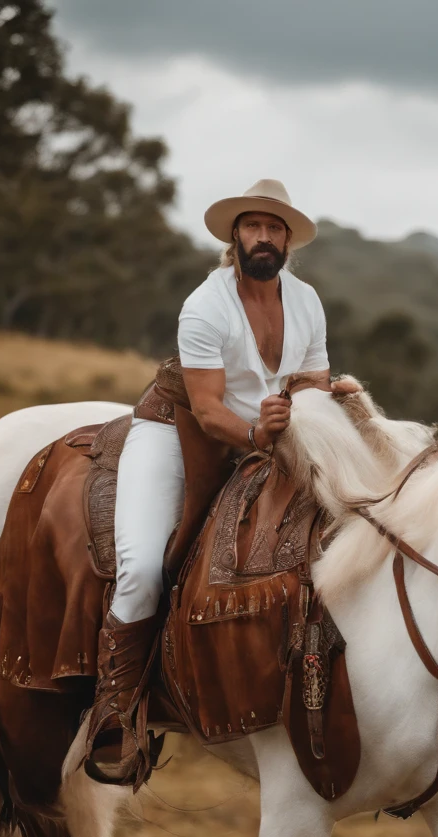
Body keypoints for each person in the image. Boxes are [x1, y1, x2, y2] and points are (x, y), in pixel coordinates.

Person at [84, 179, 330, 785]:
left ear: (288, 239)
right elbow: (210, 406)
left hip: (267, 437)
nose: (265, 237)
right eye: (253, 227)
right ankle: (116, 711)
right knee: (142, 564)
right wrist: (259, 436)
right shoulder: (205, 305)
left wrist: (326, 397)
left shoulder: (307, 301)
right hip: (180, 428)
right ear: (235, 235)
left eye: (275, 228)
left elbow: (312, 383)